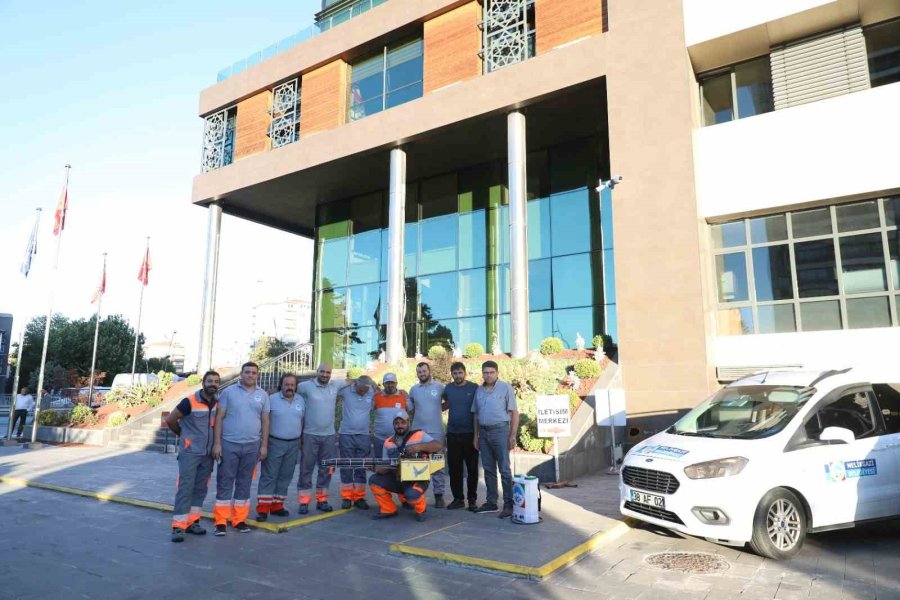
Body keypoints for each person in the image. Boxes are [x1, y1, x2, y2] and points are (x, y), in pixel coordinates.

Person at [212, 362, 270, 535]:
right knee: (225, 482)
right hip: (229, 444)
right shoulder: (228, 392)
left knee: (244, 483)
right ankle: (221, 521)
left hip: (252, 446)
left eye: (254, 372)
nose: (250, 375)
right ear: (241, 374)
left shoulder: (263, 395)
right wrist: (217, 443)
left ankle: (239, 520)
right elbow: (219, 418)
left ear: (257, 375)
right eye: (247, 372)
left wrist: (264, 445)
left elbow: (266, 421)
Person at [165, 371, 220, 543]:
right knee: (185, 489)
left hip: (207, 454)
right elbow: (171, 420)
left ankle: (192, 522)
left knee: (200, 489)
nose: (213, 384)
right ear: (203, 382)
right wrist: (184, 436)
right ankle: (178, 527)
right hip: (190, 453)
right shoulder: (189, 401)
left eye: (216, 382)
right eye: (209, 381)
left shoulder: (218, 403)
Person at [368, 410, 443, 522]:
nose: (400, 426)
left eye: (402, 422)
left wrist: (419, 447)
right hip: (397, 479)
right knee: (374, 480)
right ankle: (389, 510)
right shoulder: (388, 442)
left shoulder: (419, 435)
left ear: (408, 423)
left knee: (412, 495)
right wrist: (375, 468)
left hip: (417, 479)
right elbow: (385, 466)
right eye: (396, 423)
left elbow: (438, 445)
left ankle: (421, 510)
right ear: (393, 425)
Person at [296, 363, 349, 514]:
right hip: (309, 435)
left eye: (328, 372)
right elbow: (289, 389)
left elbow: (352, 381)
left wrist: (369, 381)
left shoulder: (335, 385)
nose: (325, 374)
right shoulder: (305, 386)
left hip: (329, 436)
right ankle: (304, 502)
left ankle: (322, 500)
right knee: (306, 469)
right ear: (317, 372)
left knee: (326, 469)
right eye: (322, 372)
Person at [472, 360, 519, 518]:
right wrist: (475, 436)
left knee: (504, 469)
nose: (488, 375)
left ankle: (508, 504)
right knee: (488, 469)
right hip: (484, 433)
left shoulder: (505, 388)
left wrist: (512, 435)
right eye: (486, 372)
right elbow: (476, 415)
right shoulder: (479, 390)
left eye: (491, 372)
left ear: (497, 373)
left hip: (500, 431)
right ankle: (491, 502)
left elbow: (514, 413)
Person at [255, 373, 303, 522]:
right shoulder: (272, 400)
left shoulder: (301, 400)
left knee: (285, 476)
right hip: (275, 442)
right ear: (281, 385)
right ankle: (263, 509)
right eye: (286, 384)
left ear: (296, 386)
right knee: (269, 476)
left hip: (294, 443)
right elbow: (265, 421)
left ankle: (277, 506)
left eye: (292, 385)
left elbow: (303, 420)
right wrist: (264, 443)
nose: (289, 387)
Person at [441, 362, 479, 511]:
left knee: (472, 469)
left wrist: (478, 434)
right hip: (452, 434)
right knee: (454, 469)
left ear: (465, 373)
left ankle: (472, 499)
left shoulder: (474, 388)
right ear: (452, 374)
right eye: (455, 373)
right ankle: (458, 499)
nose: (457, 376)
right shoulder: (448, 388)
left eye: (460, 373)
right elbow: (444, 405)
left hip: (470, 434)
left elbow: (479, 408)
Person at [409, 362, 446, 507]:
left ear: (429, 371)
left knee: (437, 465)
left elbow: (449, 401)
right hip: (418, 433)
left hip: (436, 432)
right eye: (419, 372)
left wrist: (438, 409)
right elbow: (410, 407)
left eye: (424, 371)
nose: (422, 374)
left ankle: (438, 496)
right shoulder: (414, 389)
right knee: (418, 464)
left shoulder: (439, 387)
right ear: (417, 373)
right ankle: (416, 495)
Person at [337, 376, 376, 510]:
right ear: (356, 385)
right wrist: (348, 380)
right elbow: (333, 389)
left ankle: (359, 496)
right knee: (346, 465)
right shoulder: (347, 390)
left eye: (365, 390)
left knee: (361, 466)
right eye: (360, 390)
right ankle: (347, 497)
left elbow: (381, 392)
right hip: (346, 434)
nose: (363, 392)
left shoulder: (371, 391)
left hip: (364, 435)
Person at [372, 373, 410, 457]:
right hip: (379, 439)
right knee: (380, 465)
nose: (390, 385)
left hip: (399, 439)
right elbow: (366, 410)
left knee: (398, 465)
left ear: (396, 383)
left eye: (392, 383)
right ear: (383, 384)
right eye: (387, 383)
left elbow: (411, 411)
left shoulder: (403, 395)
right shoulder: (376, 396)